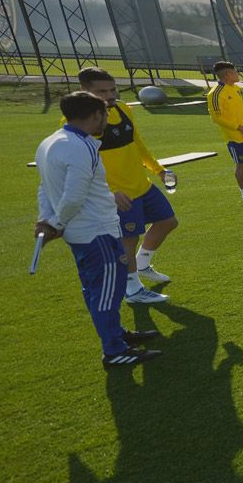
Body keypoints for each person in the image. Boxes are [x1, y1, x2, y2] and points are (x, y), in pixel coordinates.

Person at [35, 91, 163, 366]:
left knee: (97, 288)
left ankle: (116, 335)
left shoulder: (51, 142)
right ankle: (114, 351)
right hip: (95, 232)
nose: (108, 118)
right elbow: (73, 195)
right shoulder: (81, 147)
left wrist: (46, 218)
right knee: (107, 292)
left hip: (88, 231)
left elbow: (44, 187)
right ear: (95, 115)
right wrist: (55, 223)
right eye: (105, 113)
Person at [76, 67, 174, 303]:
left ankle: (141, 264)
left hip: (142, 185)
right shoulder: (79, 123)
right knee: (128, 239)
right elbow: (79, 166)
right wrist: (109, 193)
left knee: (168, 221)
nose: (109, 96)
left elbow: (137, 145)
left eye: (112, 89)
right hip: (119, 194)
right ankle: (133, 289)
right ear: (84, 91)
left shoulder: (124, 109)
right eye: (101, 92)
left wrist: (159, 170)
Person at [206, 61, 243, 202]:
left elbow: (240, 108)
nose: (238, 74)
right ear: (228, 74)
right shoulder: (215, 94)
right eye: (236, 72)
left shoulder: (236, 88)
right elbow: (217, 118)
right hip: (236, 137)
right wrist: (240, 127)